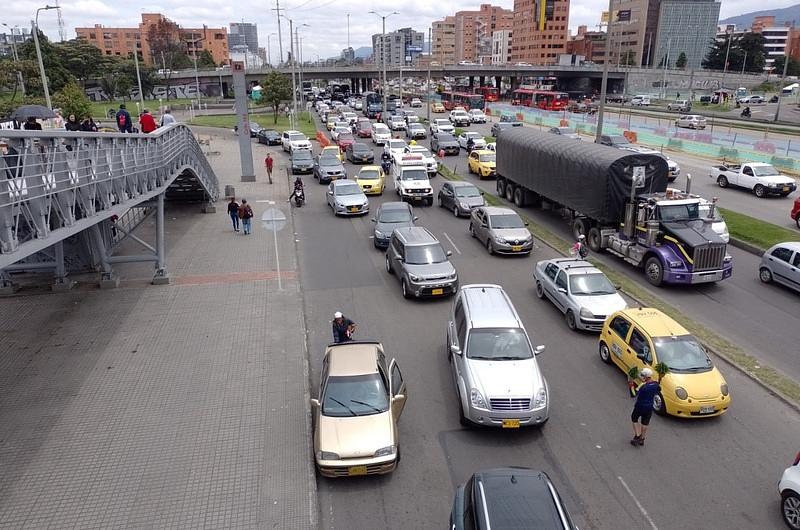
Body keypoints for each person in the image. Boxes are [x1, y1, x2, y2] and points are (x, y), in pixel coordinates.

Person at [630, 367, 661, 446]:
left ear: (646, 377)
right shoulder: (655, 384)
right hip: (649, 407)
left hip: (640, 406)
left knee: (634, 418)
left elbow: (633, 394)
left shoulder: (643, 386)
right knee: (645, 422)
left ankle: (637, 435)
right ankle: (642, 439)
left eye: (642, 376)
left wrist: (631, 383)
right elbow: (659, 387)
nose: (641, 377)